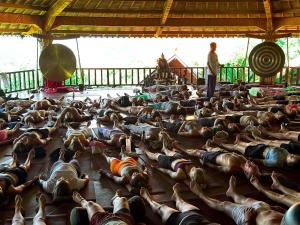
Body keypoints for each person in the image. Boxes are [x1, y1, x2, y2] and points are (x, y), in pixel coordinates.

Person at [189, 176, 285, 225]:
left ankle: (200, 194)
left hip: (249, 218)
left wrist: (248, 220)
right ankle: (232, 193)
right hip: (264, 209)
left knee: (223, 204)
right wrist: (277, 210)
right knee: (245, 199)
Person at [140, 184, 219, 225]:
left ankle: (149, 199)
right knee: (182, 203)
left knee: (161, 208)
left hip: (178, 220)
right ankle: (177, 197)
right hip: (196, 216)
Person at [215, 134, 300, 168]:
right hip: (263, 147)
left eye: (293, 158)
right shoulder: (286, 152)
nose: (293, 155)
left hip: (258, 153)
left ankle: (222, 144)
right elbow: (278, 148)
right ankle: (239, 142)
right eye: (295, 155)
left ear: (290, 163)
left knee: (237, 148)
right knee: (248, 144)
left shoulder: (278, 162)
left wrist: (252, 159)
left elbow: (264, 161)